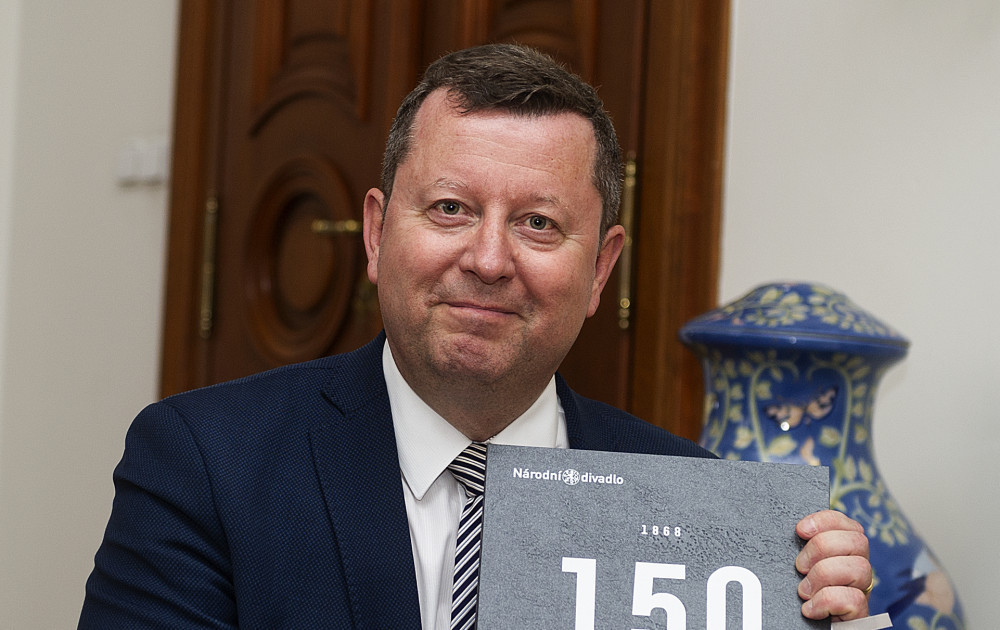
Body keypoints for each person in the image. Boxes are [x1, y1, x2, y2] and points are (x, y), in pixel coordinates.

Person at [79, 44, 872, 629]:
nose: (489, 261)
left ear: (601, 270)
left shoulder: (701, 511)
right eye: (451, 209)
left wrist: (827, 620)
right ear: (377, 234)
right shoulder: (205, 464)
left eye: (538, 223)